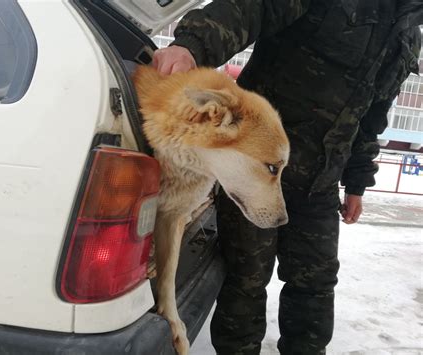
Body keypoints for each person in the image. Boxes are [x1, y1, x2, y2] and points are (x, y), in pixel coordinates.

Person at [152, 1, 422, 354]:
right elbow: (252, 7)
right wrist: (192, 46)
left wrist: (358, 182)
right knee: (246, 281)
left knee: (316, 285)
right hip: (256, 170)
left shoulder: (406, 32)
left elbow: (373, 115)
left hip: (321, 185)